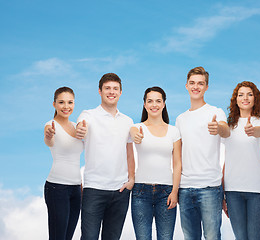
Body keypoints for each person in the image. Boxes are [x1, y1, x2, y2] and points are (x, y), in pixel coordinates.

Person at [76, 73, 135, 240]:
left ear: (121, 92)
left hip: (120, 190)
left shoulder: (127, 121)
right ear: (100, 91)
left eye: (115, 89)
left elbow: (129, 152)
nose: (111, 92)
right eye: (107, 88)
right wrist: (80, 129)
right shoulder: (88, 115)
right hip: (94, 189)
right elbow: (81, 127)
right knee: (89, 237)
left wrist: (131, 179)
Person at [175, 66, 230, 240]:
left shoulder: (215, 112)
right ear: (186, 86)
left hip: (210, 188)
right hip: (185, 189)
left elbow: (226, 131)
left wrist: (218, 127)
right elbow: (177, 155)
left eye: (200, 83)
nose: (196, 87)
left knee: (212, 237)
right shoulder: (180, 119)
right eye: (192, 83)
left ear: (206, 87)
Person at [130, 86, 182, 240]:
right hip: (140, 192)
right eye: (150, 101)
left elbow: (178, 164)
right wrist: (133, 133)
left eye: (158, 101)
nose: (154, 105)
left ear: (164, 104)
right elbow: (131, 132)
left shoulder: (174, 131)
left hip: (166, 192)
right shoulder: (137, 128)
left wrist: (175, 191)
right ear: (145, 104)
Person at [223, 81, 260, 240]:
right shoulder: (229, 127)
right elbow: (227, 159)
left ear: (255, 99)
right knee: (240, 238)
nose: (245, 98)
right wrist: (222, 193)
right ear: (235, 100)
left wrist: (253, 131)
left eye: (249, 94)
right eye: (241, 94)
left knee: (254, 237)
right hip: (232, 192)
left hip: (257, 191)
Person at [44, 86, 83, 240]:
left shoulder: (76, 126)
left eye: (70, 102)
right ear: (54, 104)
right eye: (61, 102)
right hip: (57, 188)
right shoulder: (50, 125)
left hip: (76, 189)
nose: (66, 106)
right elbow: (49, 139)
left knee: (68, 237)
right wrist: (49, 135)